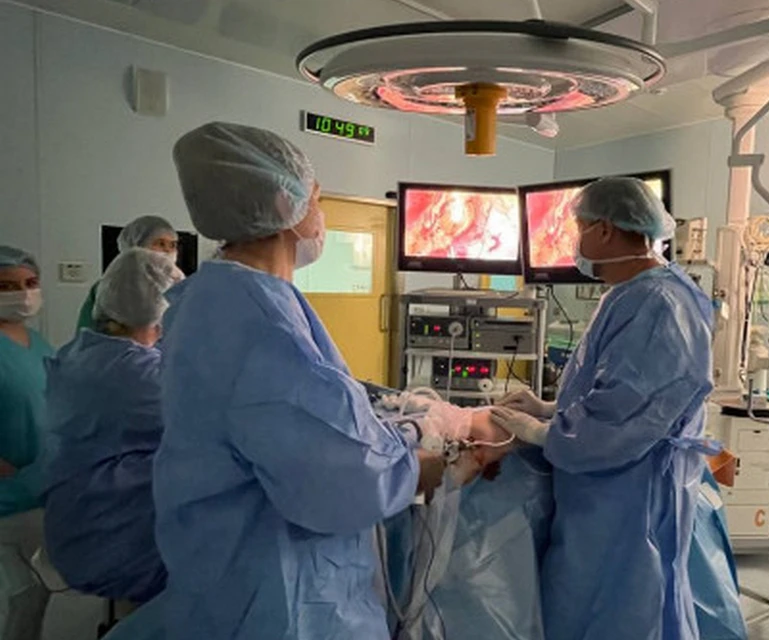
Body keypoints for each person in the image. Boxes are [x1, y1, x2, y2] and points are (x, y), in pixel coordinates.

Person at [153, 121, 471, 639]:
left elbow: (296, 416)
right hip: (278, 599)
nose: (320, 216)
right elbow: (346, 480)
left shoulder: (213, 300)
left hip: (218, 572)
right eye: (317, 199)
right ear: (286, 203)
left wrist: (396, 422)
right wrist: (434, 461)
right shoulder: (262, 321)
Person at [491, 177, 715, 640]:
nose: (576, 241)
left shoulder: (657, 304)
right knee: (586, 597)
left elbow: (623, 420)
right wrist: (550, 408)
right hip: (609, 487)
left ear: (607, 230)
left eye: (581, 227)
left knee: (620, 606)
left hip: (628, 493)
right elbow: (615, 389)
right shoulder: (633, 293)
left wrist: (541, 432)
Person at [42, 248, 183, 603]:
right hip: (116, 539)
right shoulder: (133, 373)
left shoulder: (84, 351)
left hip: (79, 522)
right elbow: (210, 419)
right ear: (161, 309)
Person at [0, 245, 54, 640]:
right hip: (5, 495)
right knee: (21, 594)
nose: (23, 294)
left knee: (36, 595)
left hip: (37, 489)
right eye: (7, 286)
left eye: (30, 283)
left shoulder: (38, 343)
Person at [75, 216, 178, 333]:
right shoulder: (110, 287)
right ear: (136, 246)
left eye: (172, 245)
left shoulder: (177, 286)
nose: (168, 250)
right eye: (160, 243)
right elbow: (90, 333)